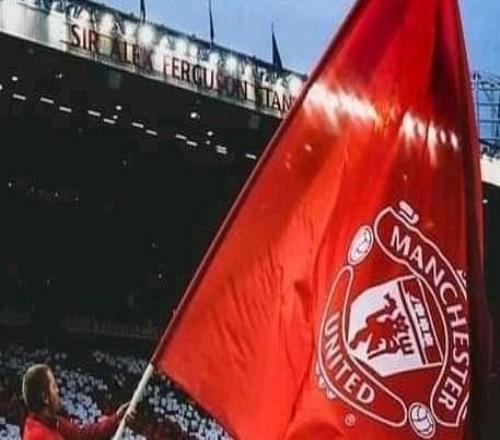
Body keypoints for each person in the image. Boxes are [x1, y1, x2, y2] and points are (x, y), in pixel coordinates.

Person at [22, 363, 137, 440]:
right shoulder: (38, 436)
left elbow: (82, 435)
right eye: (54, 386)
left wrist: (116, 419)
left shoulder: (53, 422)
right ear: (45, 398)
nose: (57, 390)